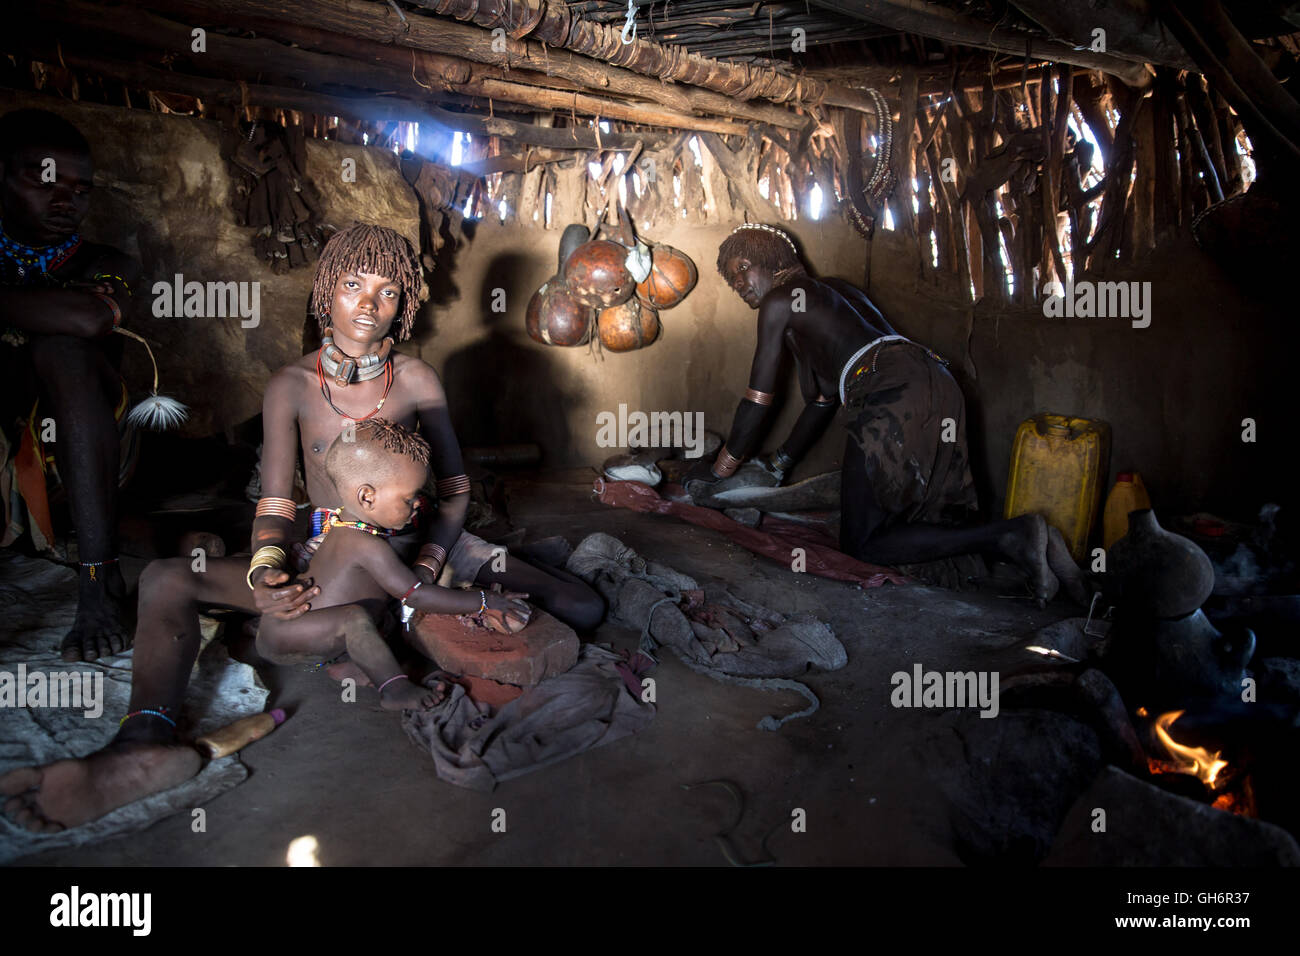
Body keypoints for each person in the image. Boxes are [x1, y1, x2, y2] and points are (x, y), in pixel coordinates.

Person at [0, 223, 602, 832]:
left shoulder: (417, 379)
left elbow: (452, 488)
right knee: (165, 579)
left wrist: (425, 564)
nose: (369, 304)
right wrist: (267, 568)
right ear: (324, 294)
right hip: (329, 550)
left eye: (389, 291)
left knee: (579, 603)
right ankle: (143, 742)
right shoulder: (291, 385)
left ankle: (397, 623)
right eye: (353, 285)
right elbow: (276, 500)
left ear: (407, 304)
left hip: (426, 545)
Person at [686, 222, 1082, 603]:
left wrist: (721, 469)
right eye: (731, 279)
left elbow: (759, 398)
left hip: (890, 389)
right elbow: (821, 401)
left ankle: (1014, 536)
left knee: (862, 541)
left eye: (742, 269)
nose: (739, 284)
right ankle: (1043, 545)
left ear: (771, 259)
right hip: (935, 379)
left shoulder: (779, 300)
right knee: (918, 518)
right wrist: (777, 467)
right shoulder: (832, 295)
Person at [255, 418, 531, 712]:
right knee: (355, 618)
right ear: (367, 496)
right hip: (287, 634)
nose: (416, 507)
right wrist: (485, 601)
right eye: (409, 499)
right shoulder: (365, 544)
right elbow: (416, 594)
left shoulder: (357, 530)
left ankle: (351, 664)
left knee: (379, 613)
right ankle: (393, 689)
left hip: (312, 630)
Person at [0, 108, 140, 662]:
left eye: (81, 191)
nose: (67, 203)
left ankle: (99, 580)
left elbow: (90, 318)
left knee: (63, 347)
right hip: (7, 455)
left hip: (80, 457)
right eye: (47, 181)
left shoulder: (107, 260)